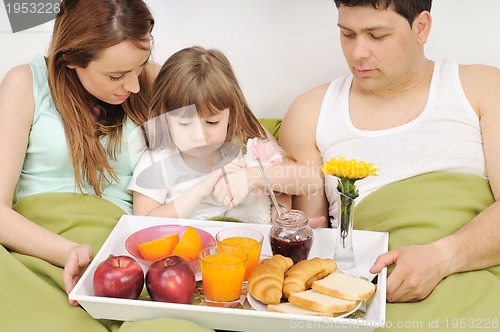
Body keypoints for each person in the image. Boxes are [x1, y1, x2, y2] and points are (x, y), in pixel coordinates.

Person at [280, 0, 500, 328]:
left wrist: (442, 257)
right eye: (347, 34)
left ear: (421, 27)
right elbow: (310, 245)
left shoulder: (481, 87)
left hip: (478, 287)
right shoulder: (310, 113)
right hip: (374, 298)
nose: (358, 53)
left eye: (377, 35)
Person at [0, 1, 212, 331]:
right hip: (37, 253)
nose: (136, 86)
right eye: (117, 76)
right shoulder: (24, 84)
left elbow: (221, 132)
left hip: (128, 255)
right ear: (70, 59)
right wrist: (67, 251)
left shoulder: (152, 80)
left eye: (139, 67)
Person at [129, 46, 309, 224]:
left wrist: (274, 206)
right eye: (185, 124)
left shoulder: (243, 143)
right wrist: (200, 190)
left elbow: (307, 180)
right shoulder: (157, 162)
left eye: (212, 122)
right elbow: (142, 223)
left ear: (231, 115)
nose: (199, 136)